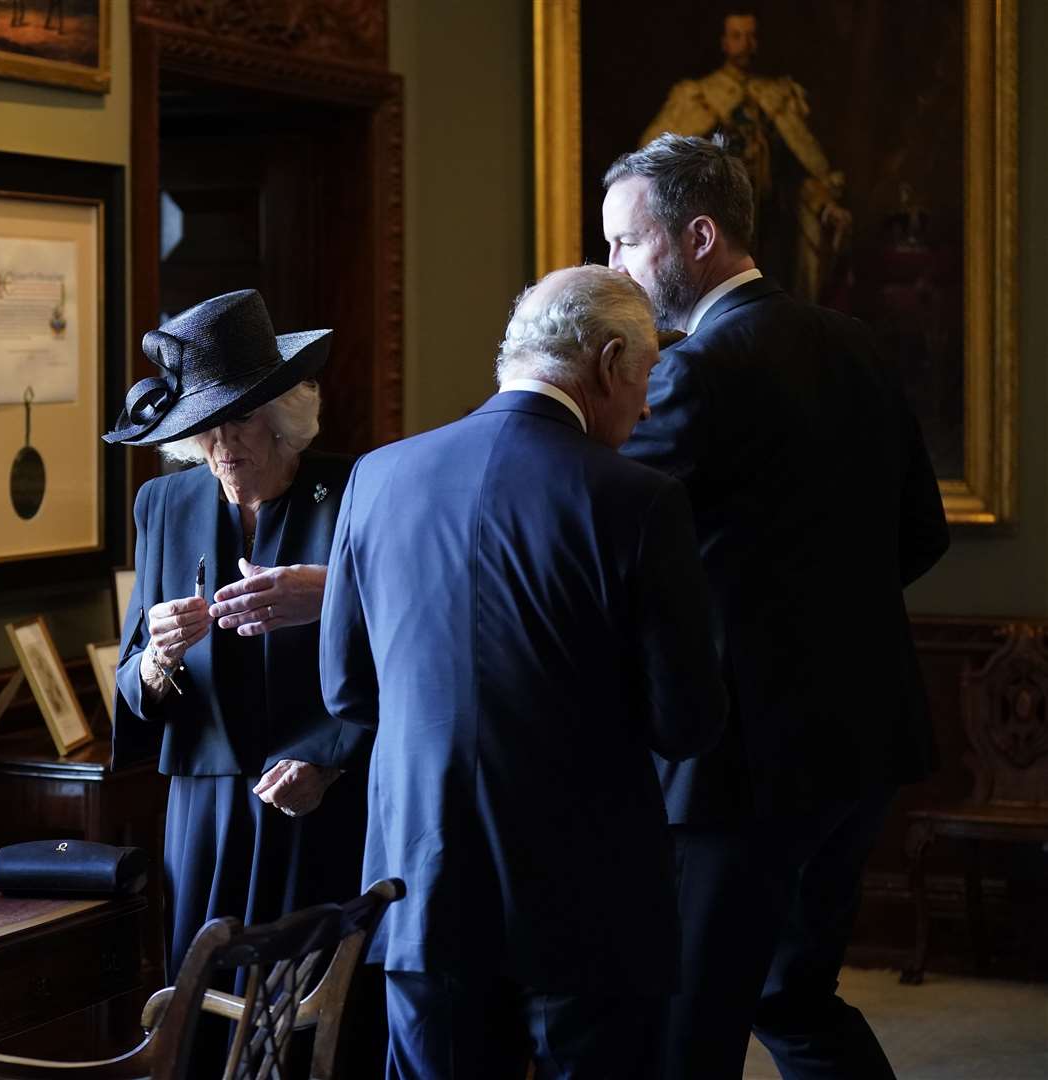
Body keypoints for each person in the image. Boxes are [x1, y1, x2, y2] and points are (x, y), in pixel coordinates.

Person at [319, 265, 727, 1079]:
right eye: (645, 377)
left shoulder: (378, 477)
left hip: (422, 888)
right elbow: (686, 723)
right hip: (589, 901)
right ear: (610, 361)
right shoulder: (638, 500)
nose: (646, 406)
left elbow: (345, 691)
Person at [603, 133, 949, 1078]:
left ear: (699, 235)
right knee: (793, 996)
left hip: (746, 761)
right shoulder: (860, 346)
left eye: (627, 244)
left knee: (691, 1025)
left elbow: (601, 538)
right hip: (865, 740)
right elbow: (924, 534)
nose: (613, 268)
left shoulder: (697, 372)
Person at [104, 288, 372, 1072]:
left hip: (318, 802)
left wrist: (330, 755)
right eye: (205, 428)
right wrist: (155, 662)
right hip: (207, 814)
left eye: (243, 420)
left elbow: (409, 647)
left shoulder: (355, 490)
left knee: (306, 1028)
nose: (223, 446)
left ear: (285, 412)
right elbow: (129, 679)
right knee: (206, 1021)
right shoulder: (164, 502)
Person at [639, 11, 850, 304]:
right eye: (737, 36)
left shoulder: (776, 96)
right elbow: (657, 153)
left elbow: (798, 165)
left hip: (772, 220)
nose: (746, 44)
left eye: (751, 36)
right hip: (717, 219)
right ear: (725, 42)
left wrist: (822, 200)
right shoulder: (700, 97)